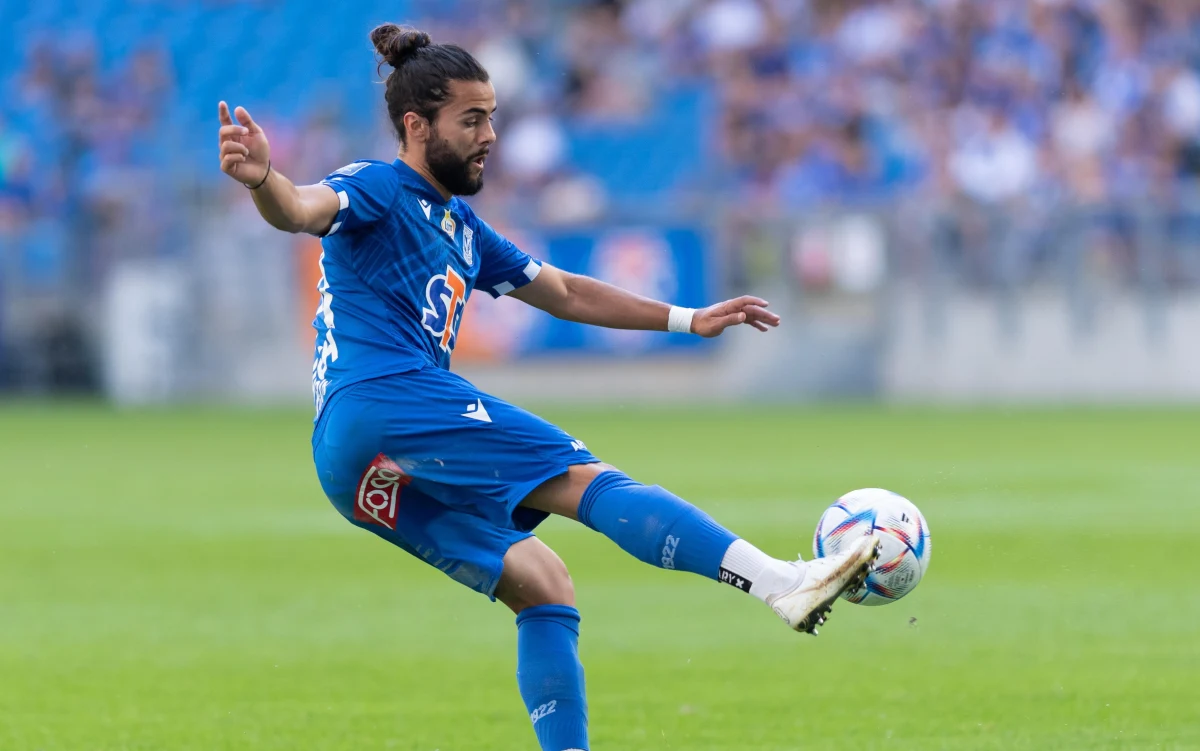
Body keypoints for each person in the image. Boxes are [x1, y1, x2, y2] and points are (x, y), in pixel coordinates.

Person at [216, 24, 878, 751]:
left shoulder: (463, 228)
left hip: (350, 465)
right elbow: (303, 209)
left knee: (541, 580)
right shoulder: (378, 185)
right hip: (389, 397)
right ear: (416, 125)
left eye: (493, 116)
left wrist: (689, 318)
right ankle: (780, 582)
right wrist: (263, 182)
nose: (490, 135)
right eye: (471, 119)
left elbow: (562, 290)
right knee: (580, 478)